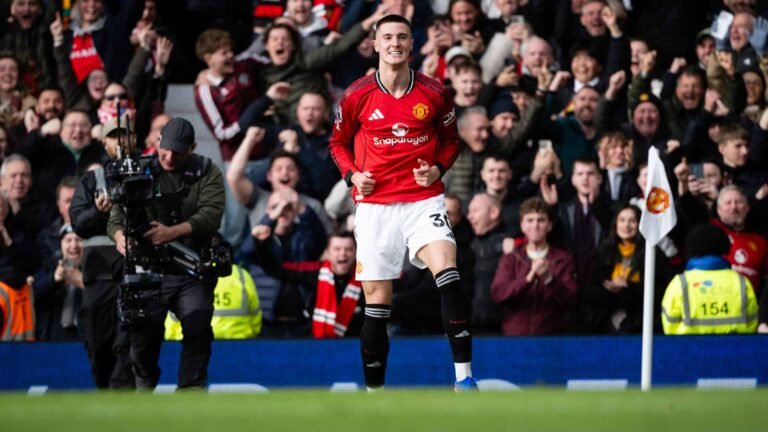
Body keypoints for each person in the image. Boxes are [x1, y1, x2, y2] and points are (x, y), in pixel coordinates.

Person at [329, 14, 476, 391]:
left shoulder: (434, 92)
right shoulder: (357, 94)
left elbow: (451, 141)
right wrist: (352, 176)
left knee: (449, 274)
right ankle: (375, 396)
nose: (395, 43)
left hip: (422, 202)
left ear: (412, 45)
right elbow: (337, 143)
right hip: (375, 207)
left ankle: (464, 379)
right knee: (378, 305)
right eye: (388, 37)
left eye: (402, 37)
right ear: (376, 45)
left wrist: (438, 169)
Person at [108, 117, 225, 389]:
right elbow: (116, 214)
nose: (170, 157)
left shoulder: (207, 171)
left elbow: (211, 214)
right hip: (149, 269)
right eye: (166, 149)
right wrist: (119, 237)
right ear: (158, 140)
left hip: (191, 267)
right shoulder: (139, 170)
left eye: (179, 152)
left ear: (192, 148)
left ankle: (191, 393)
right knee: (143, 338)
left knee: (197, 326)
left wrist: (172, 232)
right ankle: (144, 386)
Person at [69, 115, 135, 388]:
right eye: (113, 136)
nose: (120, 141)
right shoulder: (91, 180)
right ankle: (105, 389)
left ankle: (123, 398)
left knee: (127, 341)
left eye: (125, 135)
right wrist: (99, 212)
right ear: (103, 141)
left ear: (134, 139)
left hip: (133, 269)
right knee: (98, 342)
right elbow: (79, 224)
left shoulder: (147, 173)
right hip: (99, 274)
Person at [491, 197, 578, 336]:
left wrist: (550, 279)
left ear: (550, 225)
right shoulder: (511, 258)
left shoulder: (563, 259)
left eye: (541, 220)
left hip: (551, 337)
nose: (535, 225)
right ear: (522, 226)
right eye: (530, 220)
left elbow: (571, 299)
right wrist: (527, 279)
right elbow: (499, 294)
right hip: (515, 337)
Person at [662, 224, 758, 334]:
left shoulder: (680, 283)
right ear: (724, 246)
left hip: (688, 349)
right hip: (735, 349)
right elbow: (752, 323)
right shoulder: (741, 281)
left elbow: (670, 326)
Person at [164, 263, 262, 340]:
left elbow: (170, 323)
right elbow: (256, 317)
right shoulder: (241, 274)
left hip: (188, 346)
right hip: (240, 345)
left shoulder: (183, 273)